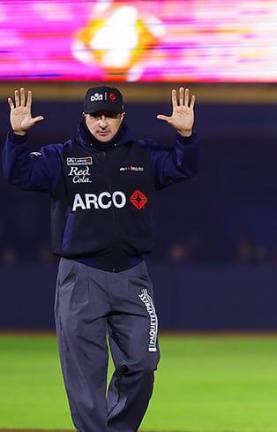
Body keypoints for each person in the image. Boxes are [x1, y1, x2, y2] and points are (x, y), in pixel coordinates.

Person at [3, 85, 199, 431]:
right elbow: (18, 174)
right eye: (96, 116)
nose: (103, 123)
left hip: (132, 275)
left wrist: (185, 136)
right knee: (85, 380)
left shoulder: (142, 155)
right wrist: (17, 137)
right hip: (81, 276)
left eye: (110, 115)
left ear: (122, 116)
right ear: (85, 117)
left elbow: (182, 168)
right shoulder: (62, 157)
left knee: (143, 362)